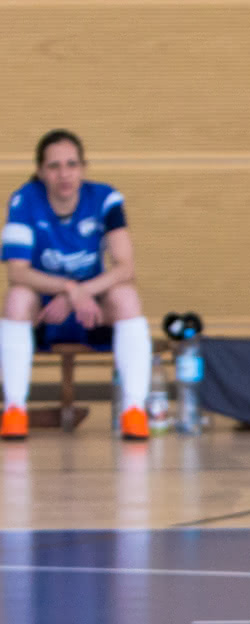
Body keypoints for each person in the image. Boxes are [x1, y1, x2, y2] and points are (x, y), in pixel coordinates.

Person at [2, 129, 154, 441]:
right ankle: (15, 410)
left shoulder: (105, 199)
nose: (64, 174)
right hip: (46, 312)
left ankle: (134, 411)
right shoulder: (24, 200)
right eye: (54, 166)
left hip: (91, 311)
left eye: (72, 164)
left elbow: (125, 267)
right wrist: (69, 289)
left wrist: (82, 293)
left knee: (126, 297)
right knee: (17, 298)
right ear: (41, 171)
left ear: (83, 168)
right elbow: (17, 272)